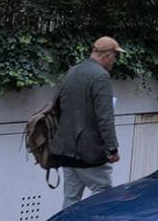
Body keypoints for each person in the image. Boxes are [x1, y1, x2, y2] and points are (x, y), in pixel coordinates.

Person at [50, 36, 123, 208]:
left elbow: (57, 106)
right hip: (89, 151)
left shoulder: (72, 71)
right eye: (115, 56)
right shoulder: (100, 76)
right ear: (107, 55)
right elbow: (105, 117)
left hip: (66, 149)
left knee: (71, 199)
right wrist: (112, 148)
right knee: (103, 194)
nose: (115, 61)